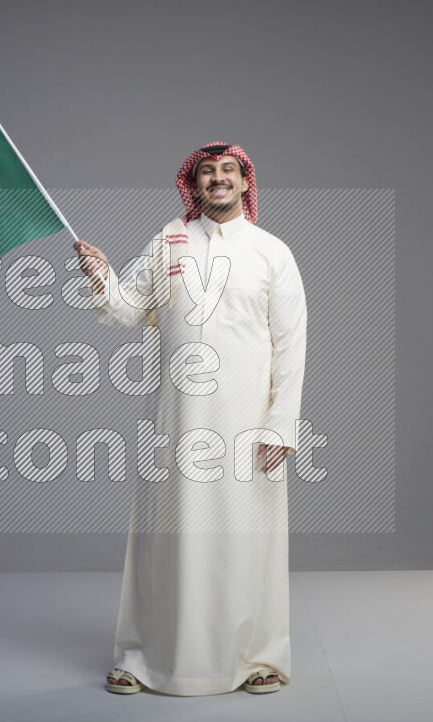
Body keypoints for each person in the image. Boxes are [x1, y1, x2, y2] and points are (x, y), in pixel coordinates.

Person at [73, 142, 307, 696]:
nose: (218, 180)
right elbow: (127, 310)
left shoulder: (272, 252)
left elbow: (291, 344)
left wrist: (282, 424)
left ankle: (256, 658)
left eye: (228, 171)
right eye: (208, 173)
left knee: (247, 539)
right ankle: (143, 657)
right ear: (194, 185)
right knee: (165, 538)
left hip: (249, 424)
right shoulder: (167, 240)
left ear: (246, 183)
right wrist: (101, 274)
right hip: (175, 423)